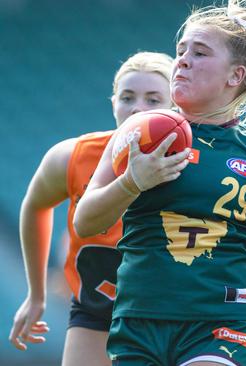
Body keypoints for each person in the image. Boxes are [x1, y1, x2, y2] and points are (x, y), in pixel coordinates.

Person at [73, 1, 246, 365]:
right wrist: (132, 182)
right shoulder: (137, 132)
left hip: (223, 320)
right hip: (140, 317)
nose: (182, 61)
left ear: (235, 76)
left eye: (200, 52)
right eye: (181, 51)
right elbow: (85, 222)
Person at [8, 51, 174, 366]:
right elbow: (35, 206)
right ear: (113, 102)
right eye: (127, 97)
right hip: (97, 307)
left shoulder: (195, 162)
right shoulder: (71, 157)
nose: (138, 108)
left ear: (175, 107)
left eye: (153, 100)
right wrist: (36, 294)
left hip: (174, 312)